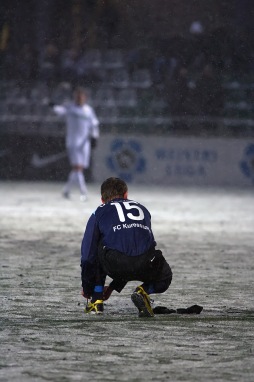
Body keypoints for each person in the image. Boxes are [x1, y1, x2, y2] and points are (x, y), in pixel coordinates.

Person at [80, 177, 172, 317]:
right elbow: (135, 251)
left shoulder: (99, 211)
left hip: (115, 264)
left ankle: (96, 300)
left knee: (97, 246)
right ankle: (144, 290)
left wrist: (87, 288)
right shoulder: (143, 209)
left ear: (102, 200)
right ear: (126, 195)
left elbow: (87, 257)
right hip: (145, 263)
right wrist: (113, 287)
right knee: (165, 275)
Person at [52, 87, 99, 200]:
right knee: (77, 167)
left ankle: (66, 191)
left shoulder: (88, 110)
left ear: (85, 98)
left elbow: (94, 124)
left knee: (79, 169)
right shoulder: (70, 107)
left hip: (84, 143)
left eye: (81, 96)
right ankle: (84, 193)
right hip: (73, 142)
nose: (78, 98)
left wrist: (95, 137)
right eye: (76, 96)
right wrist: (51, 105)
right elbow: (59, 111)